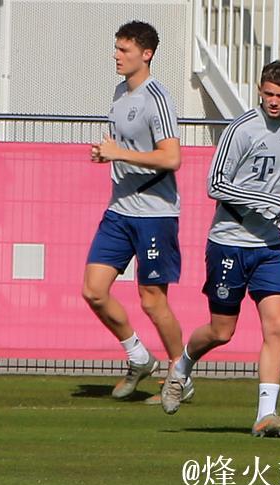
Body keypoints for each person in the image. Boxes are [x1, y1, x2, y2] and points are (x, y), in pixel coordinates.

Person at [160, 61, 280, 439]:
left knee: (276, 326)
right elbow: (216, 185)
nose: (274, 101)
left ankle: (266, 415)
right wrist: (270, 200)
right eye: (268, 93)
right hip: (229, 241)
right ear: (260, 90)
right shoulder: (240, 129)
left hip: (272, 246)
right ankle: (182, 367)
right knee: (221, 331)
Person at [85, 21, 189, 402]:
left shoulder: (156, 97)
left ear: (146, 54)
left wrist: (119, 154)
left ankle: (180, 374)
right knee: (94, 291)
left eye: (124, 50)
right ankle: (139, 356)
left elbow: (172, 157)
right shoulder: (119, 92)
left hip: (154, 213)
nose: (116, 55)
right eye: (116, 48)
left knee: (152, 300)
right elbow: (125, 149)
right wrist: (107, 155)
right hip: (120, 210)